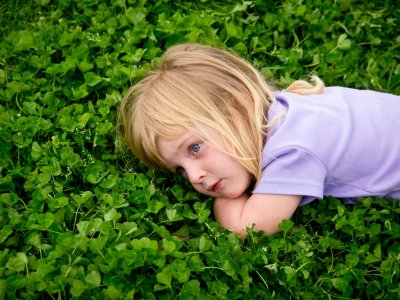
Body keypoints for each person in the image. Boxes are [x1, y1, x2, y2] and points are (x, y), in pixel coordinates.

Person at [118, 43, 400, 238]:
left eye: (194, 148)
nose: (194, 177)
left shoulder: (292, 150)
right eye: (179, 170)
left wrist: (226, 202)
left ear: (237, 108)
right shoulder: (285, 109)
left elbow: (248, 228)